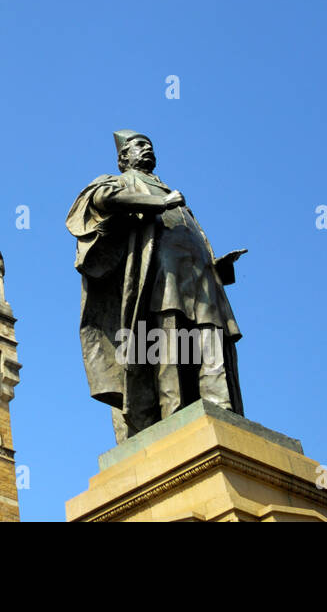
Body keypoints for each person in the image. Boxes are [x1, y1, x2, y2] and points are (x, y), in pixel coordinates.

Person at [66, 130, 245, 442]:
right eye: (138, 145)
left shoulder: (172, 193)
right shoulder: (122, 182)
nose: (146, 147)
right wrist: (158, 202)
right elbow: (100, 200)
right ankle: (173, 413)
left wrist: (219, 266)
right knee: (168, 340)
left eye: (148, 143)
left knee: (210, 335)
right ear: (123, 158)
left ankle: (221, 406)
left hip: (202, 277)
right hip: (162, 276)